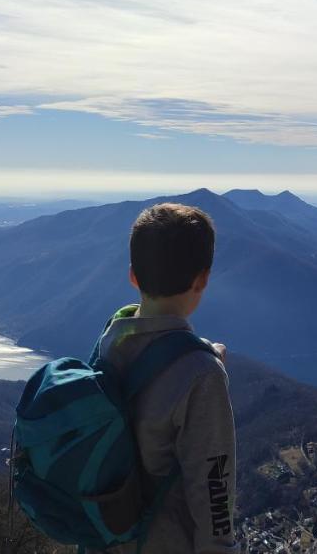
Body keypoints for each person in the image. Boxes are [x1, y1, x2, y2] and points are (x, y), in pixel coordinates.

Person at [95, 202, 238, 554]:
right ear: (202, 279)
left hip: (109, 538)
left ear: (133, 275)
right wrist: (205, 365)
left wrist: (198, 354)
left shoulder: (111, 340)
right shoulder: (201, 376)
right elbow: (215, 493)